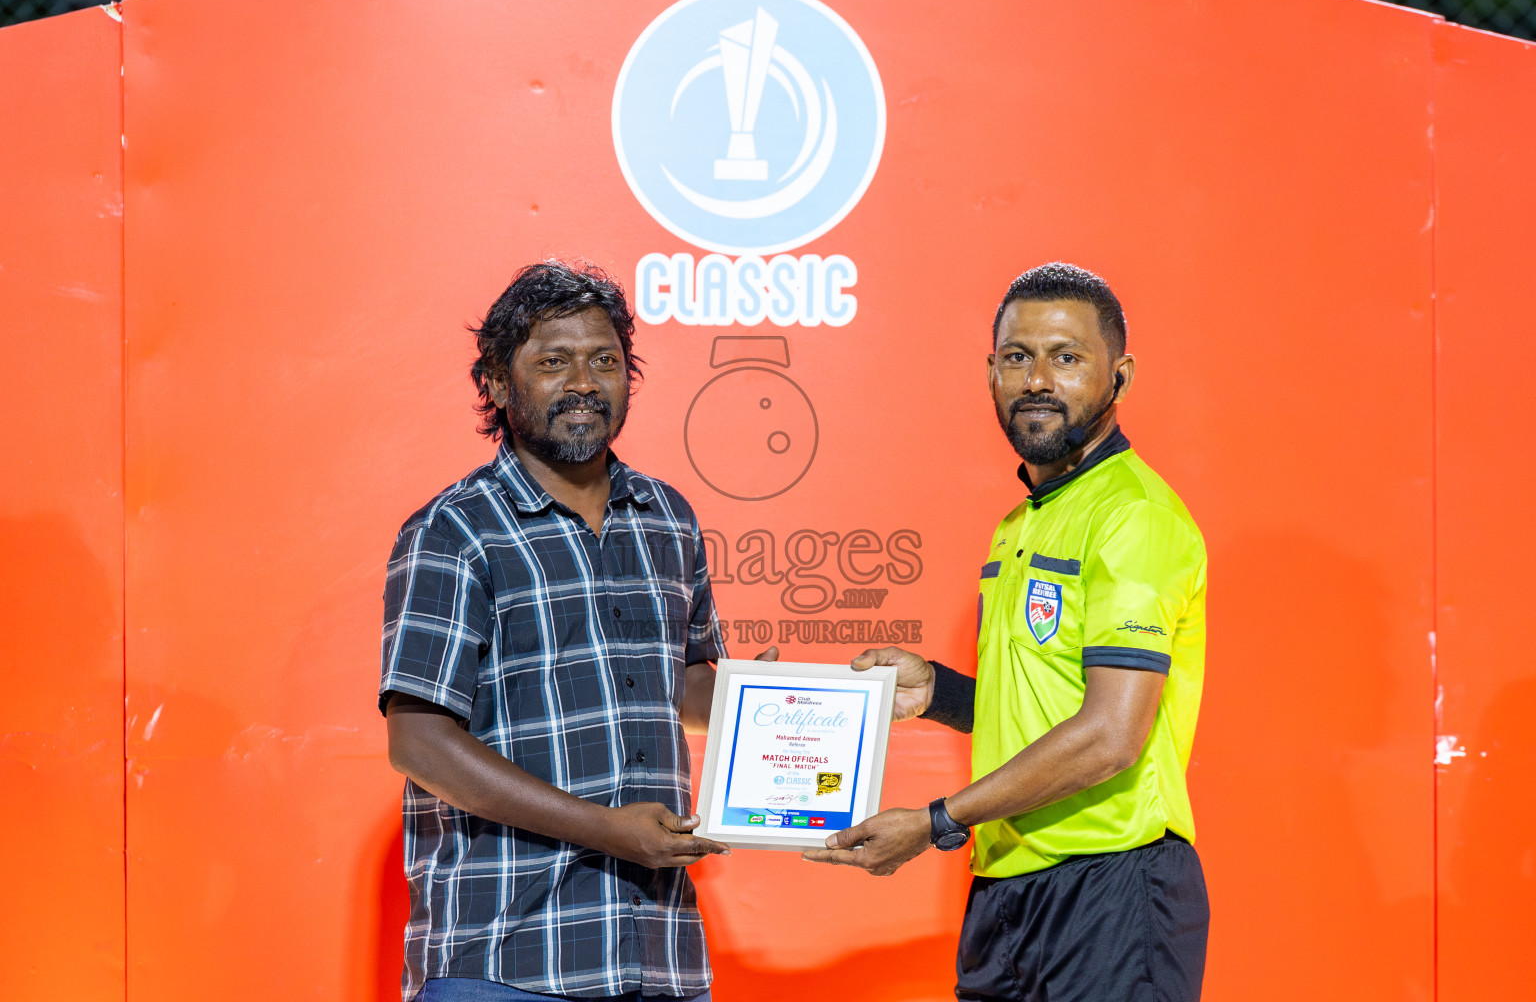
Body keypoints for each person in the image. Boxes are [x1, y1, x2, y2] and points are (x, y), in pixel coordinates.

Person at [805, 263, 1209, 1002]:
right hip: (1008, 888)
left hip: (1112, 882)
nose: (1036, 380)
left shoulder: (1133, 516)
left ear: (1118, 376)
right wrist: (935, 691)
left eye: (1066, 357)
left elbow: (1112, 734)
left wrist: (936, 822)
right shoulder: (1022, 522)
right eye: (1018, 358)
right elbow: (1045, 700)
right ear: (990, 371)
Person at [379, 261, 767, 1002]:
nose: (584, 381)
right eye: (553, 361)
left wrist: (773, 706)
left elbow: (684, 683)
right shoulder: (455, 531)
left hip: (657, 958)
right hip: (505, 959)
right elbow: (417, 740)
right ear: (494, 382)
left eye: (605, 360)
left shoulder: (668, 516)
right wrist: (605, 828)